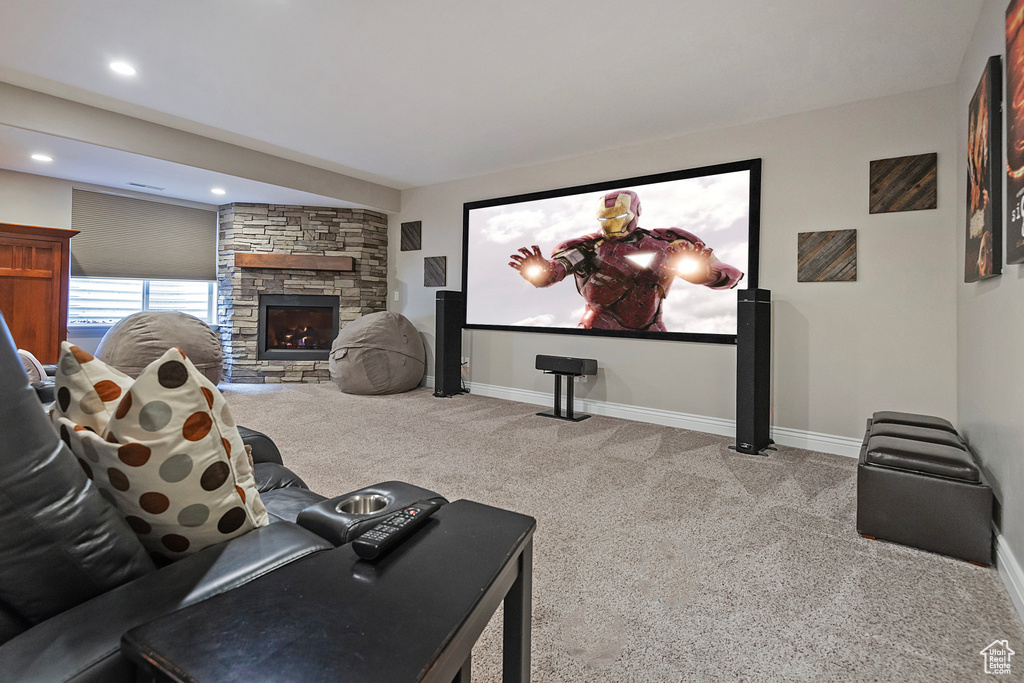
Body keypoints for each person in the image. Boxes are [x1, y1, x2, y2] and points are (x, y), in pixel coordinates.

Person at [508, 189, 743, 331]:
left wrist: (706, 274)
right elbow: (556, 270)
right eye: (604, 218)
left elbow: (731, 275)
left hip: (653, 326)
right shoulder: (588, 247)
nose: (611, 224)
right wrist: (540, 270)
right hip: (599, 325)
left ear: (635, 210)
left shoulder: (669, 241)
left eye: (619, 216)